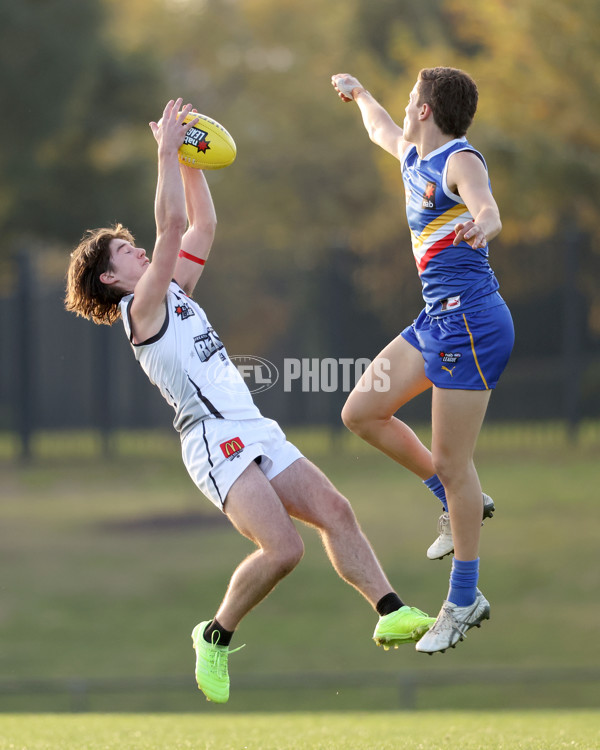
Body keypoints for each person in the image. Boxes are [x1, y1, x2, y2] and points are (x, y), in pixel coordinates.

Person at [64, 98, 435, 703]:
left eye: (135, 248)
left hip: (253, 426)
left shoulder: (175, 291)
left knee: (336, 512)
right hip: (212, 441)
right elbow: (167, 230)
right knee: (284, 550)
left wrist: (189, 160)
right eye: (124, 254)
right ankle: (214, 635)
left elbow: (199, 227)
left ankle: (389, 609)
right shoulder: (143, 308)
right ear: (111, 280)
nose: (138, 252)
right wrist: (164, 150)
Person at [330, 68, 514, 654]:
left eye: (411, 98)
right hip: (437, 319)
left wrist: (482, 228)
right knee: (362, 411)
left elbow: (487, 208)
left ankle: (464, 598)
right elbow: (380, 130)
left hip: (472, 323)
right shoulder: (413, 155)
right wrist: (360, 96)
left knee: (454, 463)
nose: (404, 107)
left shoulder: (461, 159)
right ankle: (457, 501)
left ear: (428, 109)